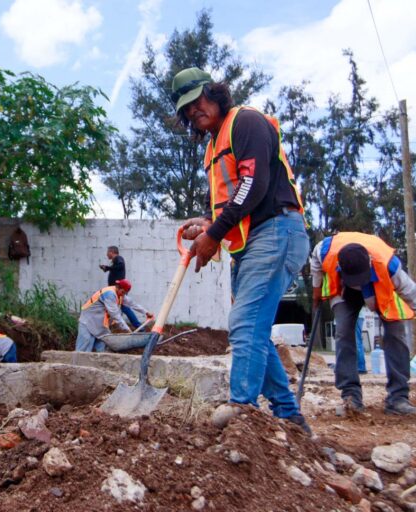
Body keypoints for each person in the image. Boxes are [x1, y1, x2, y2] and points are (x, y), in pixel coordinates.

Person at [171, 67, 312, 434]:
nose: (193, 111)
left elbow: (254, 185)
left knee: (245, 323)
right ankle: (289, 415)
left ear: (214, 92)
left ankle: (242, 411)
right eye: (186, 109)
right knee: (252, 329)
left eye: (197, 101)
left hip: (277, 230)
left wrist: (214, 234)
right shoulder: (213, 146)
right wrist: (208, 223)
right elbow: (228, 201)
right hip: (252, 241)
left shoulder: (245, 122)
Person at [310, 232, 416, 415]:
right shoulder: (325, 251)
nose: (358, 284)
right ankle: (351, 397)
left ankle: (398, 398)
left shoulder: (390, 267)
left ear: (369, 262)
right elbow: (315, 261)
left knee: (395, 332)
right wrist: (316, 289)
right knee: (343, 331)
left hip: (379, 284)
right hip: (343, 290)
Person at [76, 279, 153, 352]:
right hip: (88, 322)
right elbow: (115, 315)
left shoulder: (120, 294)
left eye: (125, 293)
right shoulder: (109, 294)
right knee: (83, 349)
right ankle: (75, 365)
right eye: (123, 292)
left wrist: (146, 312)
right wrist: (127, 330)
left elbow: (132, 304)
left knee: (102, 350)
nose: (123, 295)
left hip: (99, 325)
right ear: (118, 287)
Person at [99, 246, 142, 329]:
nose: (106, 254)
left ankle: (139, 327)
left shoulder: (118, 258)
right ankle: (111, 326)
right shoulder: (115, 260)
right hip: (116, 290)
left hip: (119, 290)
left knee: (125, 307)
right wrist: (107, 269)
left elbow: (120, 265)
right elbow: (116, 269)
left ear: (112, 252)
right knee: (117, 308)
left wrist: (108, 268)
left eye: (108, 252)